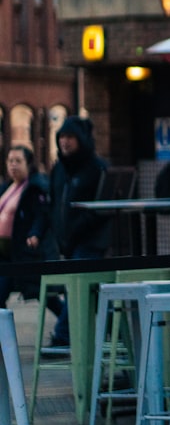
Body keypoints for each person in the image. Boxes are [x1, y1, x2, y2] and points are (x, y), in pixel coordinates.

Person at [36, 116, 110, 350]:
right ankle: (105, 330)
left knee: (78, 285)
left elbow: (99, 210)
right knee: (79, 291)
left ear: (81, 140)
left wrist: (75, 231)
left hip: (90, 241)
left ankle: (63, 335)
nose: (65, 142)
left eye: (70, 137)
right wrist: (39, 231)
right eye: (62, 138)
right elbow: (51, 205)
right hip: (66, 242)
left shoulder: (96, 167)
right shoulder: (59, 169)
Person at [0, 147, 62, 319]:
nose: (13, 165)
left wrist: (35, 234)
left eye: (18, 161)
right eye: (10, 161)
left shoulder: (35, 187)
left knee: (46, 296)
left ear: (28, 164)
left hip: (25, 255)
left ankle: (68, 326)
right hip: (6, 256)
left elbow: (41, 215)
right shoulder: (7, 187)